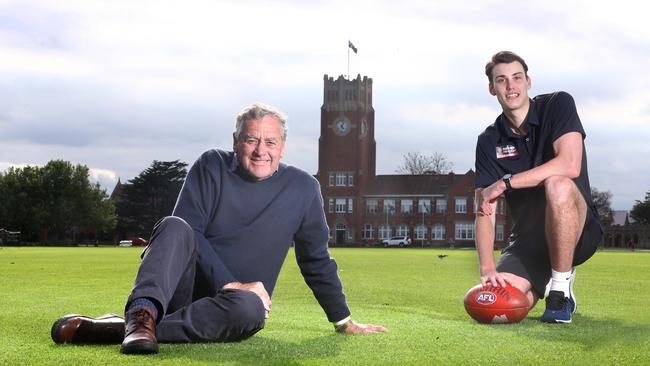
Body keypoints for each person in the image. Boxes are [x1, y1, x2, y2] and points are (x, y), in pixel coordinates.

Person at [51, 102, 386, 354]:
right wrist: (232, 282)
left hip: (233, 310)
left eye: (270, 142)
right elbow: (187, 233)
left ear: (282, 147)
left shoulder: (303, 189)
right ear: (236, 141)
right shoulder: (211, 164)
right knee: (174, 225)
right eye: (251, 140)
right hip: (179, 293)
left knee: (251, 308)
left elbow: (316, 261)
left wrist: (343, 321)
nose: (260, 151)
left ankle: (129, 328)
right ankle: (143, 313)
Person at [474, 51, 602, 324]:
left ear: (528, 81)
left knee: (557, 183)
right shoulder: (488, 140)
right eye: (502, 80)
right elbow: (484, 206)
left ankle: (560, 288)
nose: (511, 87)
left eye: (517, 78)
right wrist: (486, 268)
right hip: (528, 241)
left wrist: (506, 182)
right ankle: (544, 285)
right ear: (491, 88)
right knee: (499, 302)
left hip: (579, 231)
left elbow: (569, 164)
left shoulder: (558, 104)